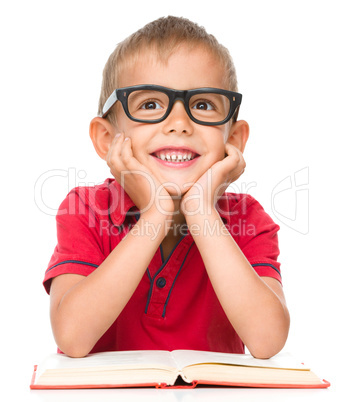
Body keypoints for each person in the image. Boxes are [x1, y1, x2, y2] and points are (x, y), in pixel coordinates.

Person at [44, 16, 290, 359]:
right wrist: (156, 214)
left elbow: (267, 341)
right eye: (150, 104)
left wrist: (201, 211)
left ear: (232, 140)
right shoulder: (84, 208)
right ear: (106, 139)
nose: (179, 124)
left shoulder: (247, 217)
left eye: (203, 105)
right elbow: (72, 336)